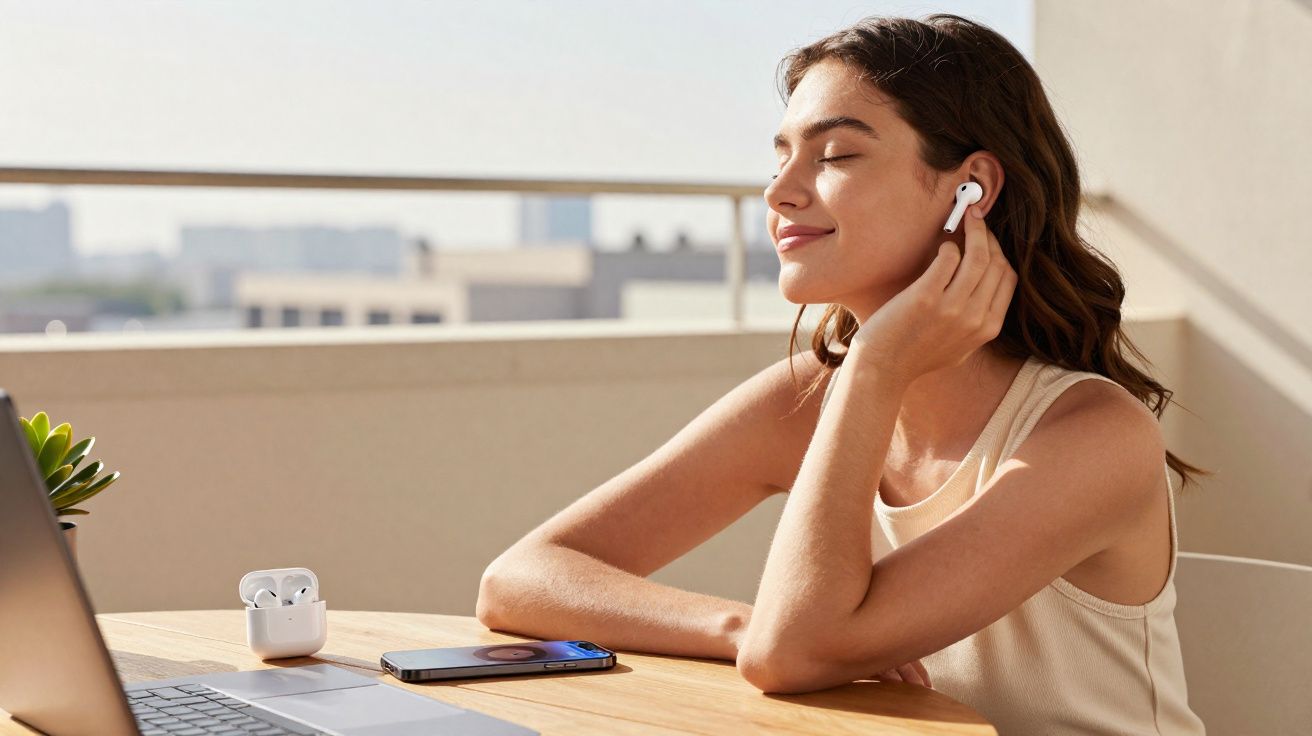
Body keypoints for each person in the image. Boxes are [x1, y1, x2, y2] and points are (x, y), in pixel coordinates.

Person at [477, 13, 1208, 734]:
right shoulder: (804, 399)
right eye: (781, 158)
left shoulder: (1093, 437)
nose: (781, 192)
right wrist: (736, 625)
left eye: (835, 157)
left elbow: (791, 655)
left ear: (972, 189)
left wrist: (874, 367)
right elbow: (519, 581)